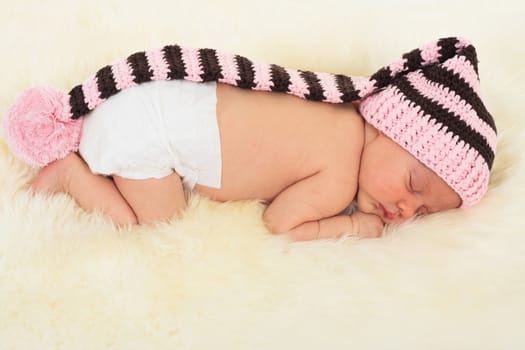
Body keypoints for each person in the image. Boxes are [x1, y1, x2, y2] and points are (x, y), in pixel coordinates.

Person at [8, 37, 497, 241]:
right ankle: (71, 174)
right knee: (154, 222)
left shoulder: (333, 101)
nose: (405, 210)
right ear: (390, 126)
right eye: (413, 182)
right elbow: (280, 223)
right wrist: (351, 229)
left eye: (424, 210)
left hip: (156, 96)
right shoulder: (339, 173)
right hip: (147, 132)